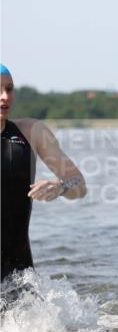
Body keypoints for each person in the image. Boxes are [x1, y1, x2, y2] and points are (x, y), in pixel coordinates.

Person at [1, 64, 87, 283]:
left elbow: (79, 185)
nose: (5, 97)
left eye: (9, 89)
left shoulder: (31, 132)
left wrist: (61, 187)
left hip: (20, 275)